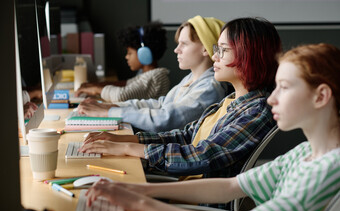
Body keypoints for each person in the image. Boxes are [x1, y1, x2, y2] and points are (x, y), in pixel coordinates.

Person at [84, 43, 340, 211]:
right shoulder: (306, 152)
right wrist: (140, 192)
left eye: (284, 88)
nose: (272, 98)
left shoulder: (330, 167)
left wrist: (144, 204)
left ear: (321, 96)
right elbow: (230, 186)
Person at [80, 18, 281, 189]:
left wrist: (129, 149)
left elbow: (201, 155)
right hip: (185, 191)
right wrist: (123, 141)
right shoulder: (229, 102)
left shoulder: (256, 111)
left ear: (249, 57)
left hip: (201, 207)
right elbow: (185, 136)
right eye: (216, 49)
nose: (214, 57)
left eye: (223, 50)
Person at [77, 15, 228, 132]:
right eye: (178, 44)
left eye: (184, 44)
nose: (176, 50)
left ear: (206, 48)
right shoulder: (191, 79)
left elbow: (165, 119)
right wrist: (112, 106)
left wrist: (111, 111)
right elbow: (162, 104)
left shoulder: (209, 88)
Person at [75, 21, 170, 102]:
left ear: (143, 53)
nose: (126, 57)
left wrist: (95, 89)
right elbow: (126, 84)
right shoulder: (147, 74)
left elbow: (122, 95)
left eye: (129, 53)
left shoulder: (156, 77)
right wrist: (95, 85)